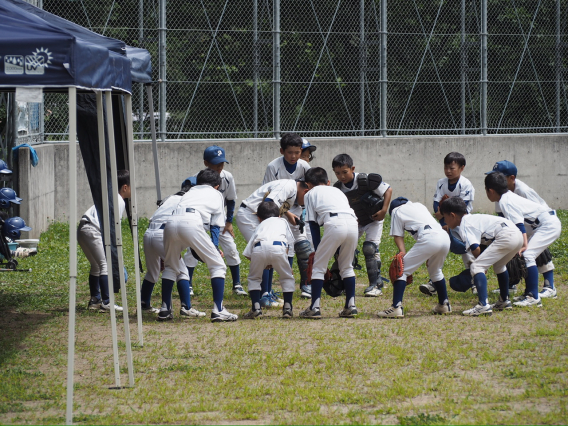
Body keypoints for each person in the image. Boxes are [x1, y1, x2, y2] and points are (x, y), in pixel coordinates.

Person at [161, 168, 238, 322]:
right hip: (191, 222)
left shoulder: (189, 192)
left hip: (170, 223)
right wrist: (215, 248)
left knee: (171, 266)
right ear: (217, 186)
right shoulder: (216, 194)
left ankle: (165, 309)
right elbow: (216, 225)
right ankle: (218, 310)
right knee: (218, 265)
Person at [484, 172, 561, 308]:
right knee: (527, 255)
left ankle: (533, 296)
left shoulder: (505, 201)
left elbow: (519, 225)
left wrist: (523, 245)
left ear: (490, 191)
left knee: (528, 254)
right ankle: (528, 293)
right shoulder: (508, 196)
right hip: (542, 224)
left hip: (547, 225)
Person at [440, 197, 523, 315]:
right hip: (516, 234)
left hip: (505, 236)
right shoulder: (474, 218)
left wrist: (483, 265)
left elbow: (475, 249)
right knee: (499, 266)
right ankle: (504, 300)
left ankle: (483, 305)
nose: (445, 221)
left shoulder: (464, 225)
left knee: (477, 267)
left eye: (445, 217)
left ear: (452, 215)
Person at [182, 146, 246, 297]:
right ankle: (189, 283)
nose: (219, 167)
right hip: (200, 219)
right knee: (193, 252)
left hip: (219, 218)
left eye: (222, 163)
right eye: (215, 164)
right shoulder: (197, 179)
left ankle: (237, 283)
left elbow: (230, 200)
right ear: (205, 163)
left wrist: (229, 222)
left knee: (231, 247)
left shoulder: (227, 177)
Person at [235, 178, 309, 307]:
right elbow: (269, 203)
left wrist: (288, 214)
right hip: (251, 215)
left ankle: (267, 293)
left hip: (260, 216)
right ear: (305, 191)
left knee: (265, 252)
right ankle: (264, 295)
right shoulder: (288, 186)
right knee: (262, 251)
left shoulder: (294, 195)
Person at [139, 182, 205, 319]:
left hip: (149, 234)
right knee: (181, 270)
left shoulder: (169, 198)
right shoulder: (187, 201)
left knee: (153, 271)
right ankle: (185, 307)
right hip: (162, 235)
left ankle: (144, 303)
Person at [300, 167, 359, 319]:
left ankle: (315, 308)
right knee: (346, 266)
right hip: (353, 223)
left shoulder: (310, 193)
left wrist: (317, 249)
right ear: (327, 181)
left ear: (308, 184)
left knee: (318, 267)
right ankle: (351, 306)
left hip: (333, 223)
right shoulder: (337, 191)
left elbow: (312, 224)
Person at [377, 197, 451, 318]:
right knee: (435, 271)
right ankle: (444, 304)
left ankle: (396, 307)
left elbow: (398, 235)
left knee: (401, 270)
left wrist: (402, 253)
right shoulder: (419, 206)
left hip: (429, 237)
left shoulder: (396, 210)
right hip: (444, 237)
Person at [332, 153, 392, 297]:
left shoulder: (365, 180)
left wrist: (384, 210)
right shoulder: (337, 188)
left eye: (345, 172)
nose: (342, 176)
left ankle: (375, 284)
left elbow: (388, 190)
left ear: (352, 168)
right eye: (337, 173)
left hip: (373, 220)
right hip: (354, 222)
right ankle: (343, 284)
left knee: (370, 249)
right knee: (344, 251)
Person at [263, 132, 313, 299]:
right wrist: (287, 213)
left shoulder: (304, 167)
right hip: (276, 211)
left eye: (297, 152)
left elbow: (309, 190)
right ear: (281, 151)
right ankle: (267, 290)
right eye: (290, 152)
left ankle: (305, 285)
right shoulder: (273, 167)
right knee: (274, 249)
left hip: (297, 211)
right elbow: (268, 196)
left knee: (301, 248)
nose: (293, 156)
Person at [420, 152, 475, 297]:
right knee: (437, 250)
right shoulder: (441, 183)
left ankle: (475, 280)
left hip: (463, 224)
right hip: (445, 222)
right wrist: (443, 218)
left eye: (452, 168)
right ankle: (433, 282)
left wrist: (444, 212)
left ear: (462, 168)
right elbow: (436, 203)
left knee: (468, 253)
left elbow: (461, 208)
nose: (448, 171)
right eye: (446, 167)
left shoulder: (466, 184)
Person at [77, 170, 130, 313]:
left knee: (96, 266)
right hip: (93, 229)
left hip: (83, 228)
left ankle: (95, 299)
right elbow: (113, 227)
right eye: (132, 187)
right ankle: (107, 302)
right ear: (125, 187)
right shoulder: (119, 201)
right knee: (104, 264)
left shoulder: (112, 197)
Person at [242, 201, 295, 319]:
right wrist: (287, 265)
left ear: (259, 218)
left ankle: (256, 308)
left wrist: (262, 263)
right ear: (279, 215)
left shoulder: (260, 226)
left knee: (254, 278)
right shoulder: (283, 221)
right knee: (286, 277)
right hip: (279, 246)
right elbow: (290, 243)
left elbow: (247, 253)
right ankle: (287, 308)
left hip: (259, 247)